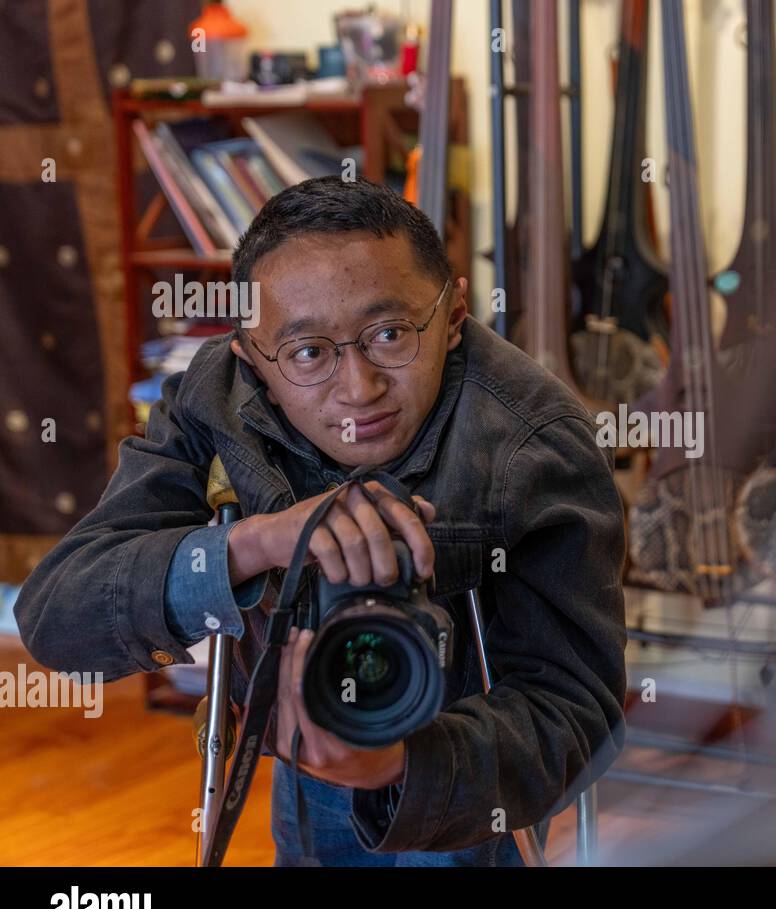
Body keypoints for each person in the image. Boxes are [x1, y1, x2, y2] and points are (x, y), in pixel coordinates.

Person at [15, 175, 628, 866]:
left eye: (391, 333)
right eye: (308, 352)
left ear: (453, 316)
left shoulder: (533, 441)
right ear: (252, 361)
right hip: (298, 747)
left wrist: (400, 767)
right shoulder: (213, 399)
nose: (358, 388)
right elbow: (56, 619)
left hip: (461, 769)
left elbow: (578, 712)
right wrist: (248, 545)